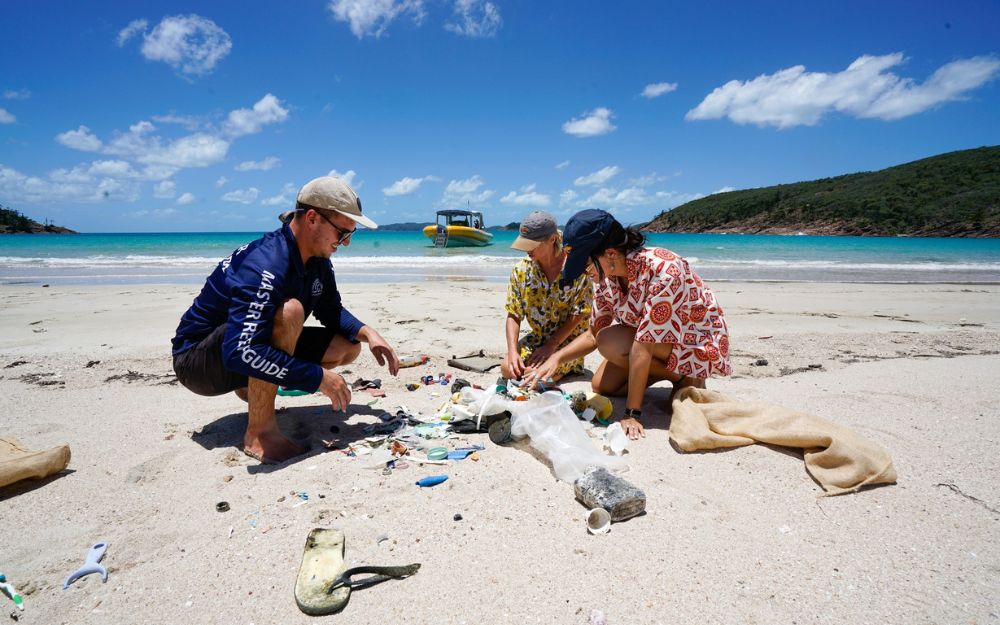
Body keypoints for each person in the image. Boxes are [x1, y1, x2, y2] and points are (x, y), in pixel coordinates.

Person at [171, 176, 400, 463]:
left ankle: (253, 387)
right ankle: (259, 434)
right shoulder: (266, 264)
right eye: (342, 233)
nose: (347, 243)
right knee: (290, 312)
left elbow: (330, 310)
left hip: (242, 347)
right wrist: (317, 378)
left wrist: (369, 333)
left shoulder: (317, 260)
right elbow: (241, 351)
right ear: (313, 219)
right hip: (197, 362)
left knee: (347, 347)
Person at [531, 209, 731, 440]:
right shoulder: (608, 277)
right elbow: (592, 333)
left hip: (695, 344)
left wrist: (632, 413)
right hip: (652, 343)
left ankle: (689, 376)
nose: (585, 274)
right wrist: (555, 358)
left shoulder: (664, 270)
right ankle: (676, 376)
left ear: (611, 254)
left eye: (585, 265)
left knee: (610, 341)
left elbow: (643, 344)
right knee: (603, 386)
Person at [502, 210, 593, 386]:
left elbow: (579, 313)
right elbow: (513, 314)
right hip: (537, 338)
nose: (526, 249)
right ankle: (542, 374)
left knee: (534, 378)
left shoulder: (576, 268)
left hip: (568, 342)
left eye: (532, 244)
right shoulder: (521, 270)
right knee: (507, 368)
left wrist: (552, 345)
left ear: (552, 239)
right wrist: (512, 351)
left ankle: (560, 371)